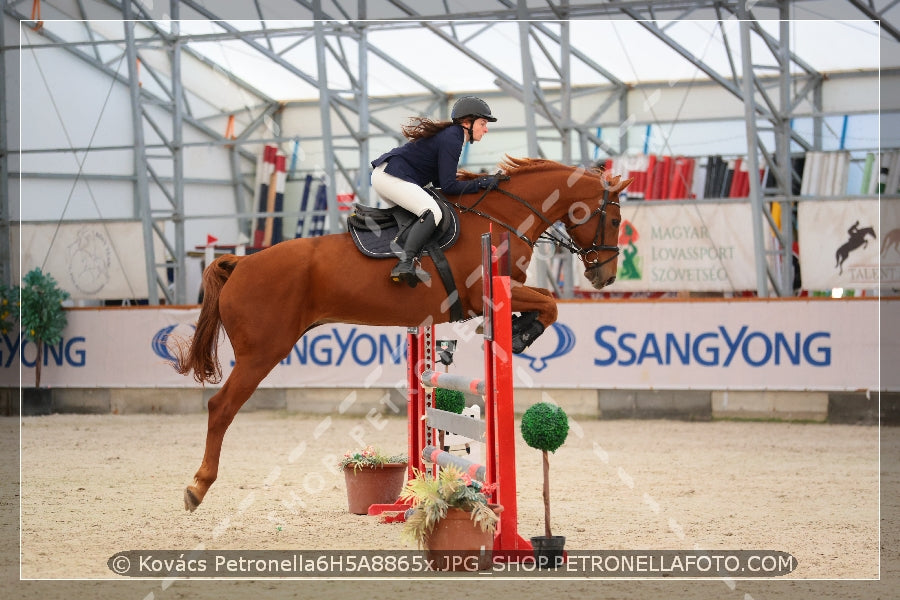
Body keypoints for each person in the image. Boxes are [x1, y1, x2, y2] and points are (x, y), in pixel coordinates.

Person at [370, 96, 500, 287]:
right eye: (482, 123)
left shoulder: (453, 136)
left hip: (389, 175)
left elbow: (441, 182)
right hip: (391, 175)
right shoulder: (453, 138)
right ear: (467, 122)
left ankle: (401, 253)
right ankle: (404, 264)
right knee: (432, 212)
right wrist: (481, 183)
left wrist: (478, 181)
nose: (486, 128)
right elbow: (448, 186)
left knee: (424, 213)